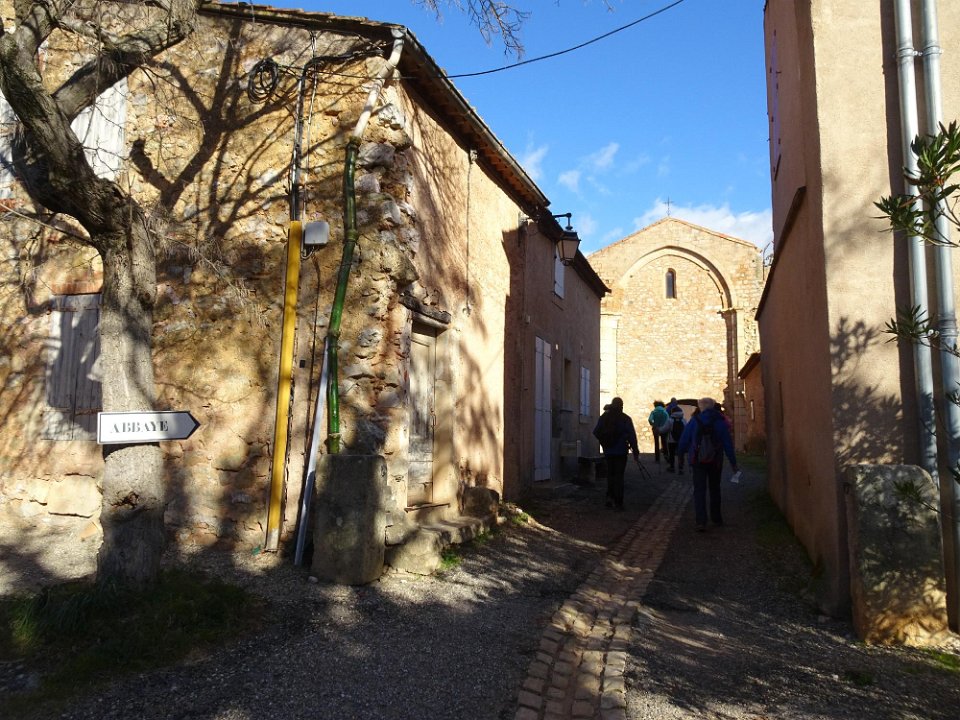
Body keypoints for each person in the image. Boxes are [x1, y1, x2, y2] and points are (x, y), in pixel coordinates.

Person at [677, 397, 739, 531]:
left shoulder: (695, 421)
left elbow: (684, 440)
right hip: (716, 460)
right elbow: (727, 444)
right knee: (715, 488)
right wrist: (733, 463)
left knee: (699, 490)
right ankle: (716, 518)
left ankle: (701, 521)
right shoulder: (720, 422)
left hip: (697, 460)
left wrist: (680, 456)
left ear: (701, 407)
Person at [593, 397, 640, 510]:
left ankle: (609, 498)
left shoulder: (604, 417)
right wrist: (635, 452)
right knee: (619, 476)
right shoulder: (625, 419)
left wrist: (604, 443)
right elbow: (632, 436)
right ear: (621, 406)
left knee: (610, 474)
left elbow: (596, 431)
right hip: (621, 451)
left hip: (608, 451)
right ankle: (618, 502)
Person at [665, 404, 686, 473]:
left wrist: (659, 430)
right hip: (681, 439)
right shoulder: (684, 420)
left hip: (671, 440)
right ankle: (681, 468)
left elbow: (665, 429)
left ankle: (672, 467)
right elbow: (686, 429)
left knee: (671, 454)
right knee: (681, 454)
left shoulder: (670, 420)